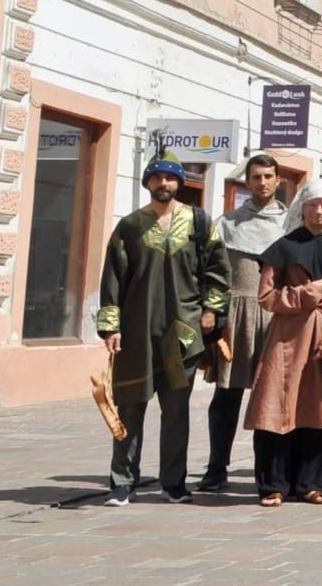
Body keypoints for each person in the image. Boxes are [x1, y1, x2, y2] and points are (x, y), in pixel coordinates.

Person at [96, 159, 230, 506]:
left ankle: (173, 483)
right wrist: (111, 326)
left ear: (180, 183)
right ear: (147, 183)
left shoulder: (200, 223)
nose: (164, 182)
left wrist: (212, 310)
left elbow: (218, 269)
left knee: (175, 411)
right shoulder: (129, 227)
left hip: (182, 335)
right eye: (157, 177)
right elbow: (112, 278)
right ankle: (123, 481)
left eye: (170, 177)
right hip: (137, 333)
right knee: (129, 407)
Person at [246, 183, 322, 506]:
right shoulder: (284, 247)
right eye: (313, 205)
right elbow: (266, 296)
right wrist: (302, 295)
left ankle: (315, 483)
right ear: (303, 208)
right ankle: (274, 484)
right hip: (287, 341)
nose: (320, 212)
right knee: (277, 409)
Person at [201, 154, 288, 492]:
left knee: (271, 396)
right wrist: (211, 311)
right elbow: (212, 272)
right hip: (236, 314)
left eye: (268, 176)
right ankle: (216, 467)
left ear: (278, 180)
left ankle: (266, 473)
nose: (262, 182)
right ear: (247, 181)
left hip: (275, 315)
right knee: (226, 394)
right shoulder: (228, 223)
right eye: (256, 177)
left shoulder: (290, 224)